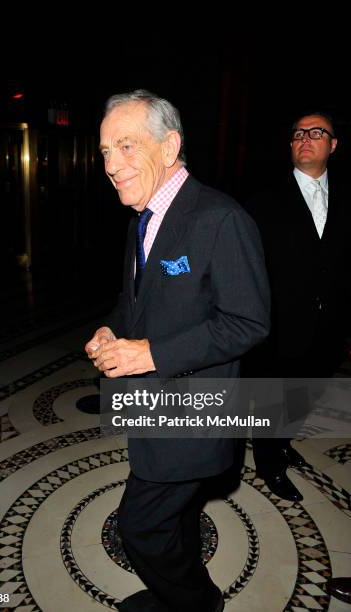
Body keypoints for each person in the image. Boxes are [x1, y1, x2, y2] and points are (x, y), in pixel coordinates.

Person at [85, 89, 270, 612]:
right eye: (104, 151)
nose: (111, 165)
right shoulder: (141, 219)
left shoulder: (220, 219)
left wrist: (150, 354)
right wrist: (110, 329)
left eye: (125, 146)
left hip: (195, 413)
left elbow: (249, 322)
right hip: (153, 406)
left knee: (140, 527)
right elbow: (133, 303)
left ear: (169, 147)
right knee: (178, 517)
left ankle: (194, 603)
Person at [243, 112, 351, 502]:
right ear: (291, 145)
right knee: (275, 396)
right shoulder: (263, 200)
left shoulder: (346, 196)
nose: (306, 138)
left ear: (332, 145)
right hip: (279, 325)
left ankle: (283, 441)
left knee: (307, 392)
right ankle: (270, 462)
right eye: (298, 134)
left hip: (330, 326)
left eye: (317, 132)